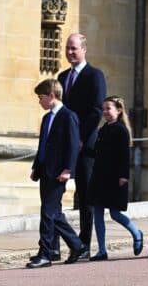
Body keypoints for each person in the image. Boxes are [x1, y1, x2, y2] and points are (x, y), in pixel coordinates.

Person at [27, 79, 87, 268]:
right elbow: (43, 145)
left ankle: (45, 254)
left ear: (51, 96)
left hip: (59, 172)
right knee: (55, 213)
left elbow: (73, 145)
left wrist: (68, 169)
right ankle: (77, 246)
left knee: (47, 212)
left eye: (41, 97)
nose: (39, 101)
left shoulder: (68, 116)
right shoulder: (46, 118)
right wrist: (36, 167)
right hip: (45, 170)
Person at [57, 33, 106, 259]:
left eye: (74, 48)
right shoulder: (62, 76)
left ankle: (84, 246)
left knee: (86, 197)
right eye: (67, 48)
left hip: (86, 145)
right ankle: (53, 246)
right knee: (54, 194)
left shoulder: (95, 76)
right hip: (64, 145)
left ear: (84, 49)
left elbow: (96, 111)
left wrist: (79, 138)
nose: (69, 52)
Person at [88, 96, 143, 261]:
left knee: (114, 214)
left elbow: (124, 156)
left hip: (115, 178)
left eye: (108, 108)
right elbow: (98, 152)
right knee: (97, 213)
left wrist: (124, 176)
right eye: (103, 109)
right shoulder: (103, 129)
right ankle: (102, 250)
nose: (105, 112)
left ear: (118, 110)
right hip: (99, 176)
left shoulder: (121, 130)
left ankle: (136, 232)